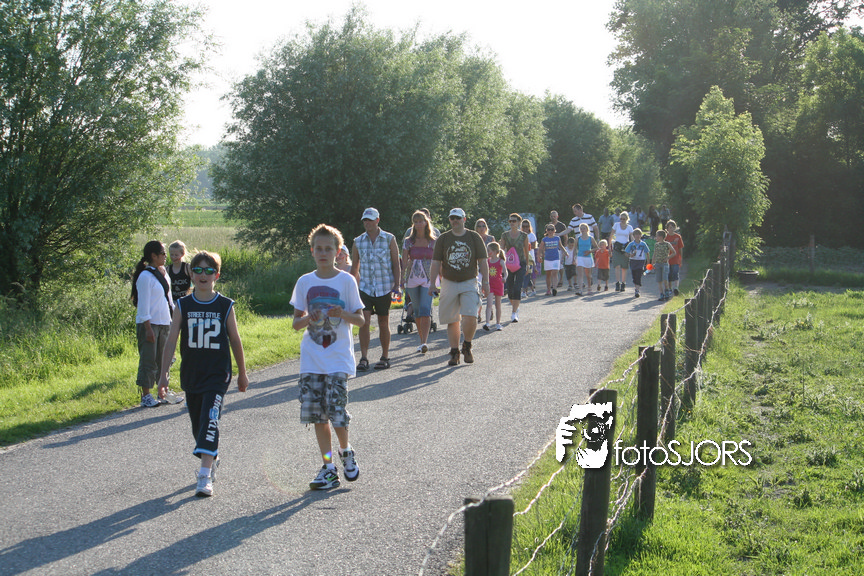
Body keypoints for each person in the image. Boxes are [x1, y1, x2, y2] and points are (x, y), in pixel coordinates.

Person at [157, 251, 248, 497]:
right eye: (198, 270)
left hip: (217, 375)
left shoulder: (225, 305)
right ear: (191, 274)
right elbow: (171, 340)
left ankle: (204, 475)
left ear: (217, 275)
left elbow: (235, 340)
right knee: (199, 426)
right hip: (192, 374)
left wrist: (242, 373)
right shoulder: (183, 305)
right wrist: (163, 374)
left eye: (209, 270)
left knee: (210, 419)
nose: (203, 275)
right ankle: (212, 457)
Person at [291, 224, 366, 491]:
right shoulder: (304, 282)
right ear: (312, 251)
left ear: (338, 252)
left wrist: (342, 314)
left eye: (328, 249)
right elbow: (296, 324)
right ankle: (328, 468)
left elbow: (360, 319)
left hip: (337, 358)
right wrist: (307, 318)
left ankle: (345, 451)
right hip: (312, 359)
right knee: (318, 416)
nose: (323, 253)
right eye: (319, 249)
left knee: (336, 411)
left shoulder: (346, 281)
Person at [429, 208, 489, 365]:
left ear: (464, 219)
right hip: (449, 282)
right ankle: (454, 352)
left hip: (469, 281)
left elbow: (483, 261)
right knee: (452, 319)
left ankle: (467, 345)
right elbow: (435, 262)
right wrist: (432, 284)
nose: (455, 220)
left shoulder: (473, 237)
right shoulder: (443, 239)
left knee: (471, 316)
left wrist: (486, 282)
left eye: (458, 218)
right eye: (452, 218)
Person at [350, 207, 401, 371]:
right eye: (365, 220)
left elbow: (396, 264)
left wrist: (397, 285)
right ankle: (364, 358)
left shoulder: (389, 239)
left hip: (384, 287)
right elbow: (355, 267)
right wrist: (349, 288)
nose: (367, 223)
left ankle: (385, 356)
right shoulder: (358, 241)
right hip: (365, 287)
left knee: (383, 322)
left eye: (370, 220)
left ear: (377, 220)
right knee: (364, 321)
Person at [131, 240, 173, 408]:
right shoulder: (145, 276)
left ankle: (163, 391)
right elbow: (143, 306)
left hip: (164, 322)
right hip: (149, 324)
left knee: (164, 360)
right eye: (162, 253)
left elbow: (169, 300)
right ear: (153, 256)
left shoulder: (163, 273)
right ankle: (146, 395)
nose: (165, 256)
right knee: (148, 360)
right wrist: (148, 329)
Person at [401, 210, 437, 354]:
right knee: (416, 310)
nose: (418, 224)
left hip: (428, 278)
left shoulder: (433, 241)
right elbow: (404, 261)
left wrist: (440, 279)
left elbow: (438, 261)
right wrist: (401, 277)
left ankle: (424, 342)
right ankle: (421, 340)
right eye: (415, 222)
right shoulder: (408, 241)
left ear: (426, 222)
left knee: (425, 309)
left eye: (420, 221)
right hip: (412, 277)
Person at [500, 214, 531, 322]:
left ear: (519, 222)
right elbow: (501, 250)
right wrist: (500, 264)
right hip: (508, 264)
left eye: (514, 221)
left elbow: (526, 251)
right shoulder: (504, 235)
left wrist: (528, 265)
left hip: (521, 264)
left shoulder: (523, 235)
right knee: (510, 289)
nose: (512, 223)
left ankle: (514, 312)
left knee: (518, 287)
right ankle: (515, 306)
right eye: (510, 221)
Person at [484, 242, 506, 331]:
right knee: (489, 304)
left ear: (494, 251)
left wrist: (505, 277)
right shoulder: (487, 261)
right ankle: (487, 323)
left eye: (488, 250)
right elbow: (485, 273)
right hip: (490, 285)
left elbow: (505, 272)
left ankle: (498, 323)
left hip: (498, 285)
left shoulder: (501, 261)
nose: (487, 252)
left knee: (498, 305)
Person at [610, 211, 634, 292]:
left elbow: (632, 237)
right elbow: (611, 235)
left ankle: (623, 283)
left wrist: (633, 247)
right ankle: (617, 283)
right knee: (617, 266)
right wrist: (609, 247)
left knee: (624, 267)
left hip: (625, 247)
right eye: (621, 219)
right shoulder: (616, 225)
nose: (622, 220)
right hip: (617, 247)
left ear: (627, 219)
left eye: (624, 219)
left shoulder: (629, 227)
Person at [650, 229, 677, 301]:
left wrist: (668, 258)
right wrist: (652, 263)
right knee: (659, 280)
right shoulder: (656, 245)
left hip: (664, 264)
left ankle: (667, 291)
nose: (656, 238)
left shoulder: (667, 244)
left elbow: (674, 252)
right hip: (658, 264)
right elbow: (654, 254)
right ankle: (661, 294)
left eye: (657, 236)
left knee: (665, 279)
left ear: (661, 237)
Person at [625, 229, 650, 298]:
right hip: (633, 261)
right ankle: (636, 285)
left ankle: (637, 290)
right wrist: (631, 255)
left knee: (638, 274)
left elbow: (647, 252)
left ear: (641, 235)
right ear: (633, 236)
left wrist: (648, 262)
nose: (637, 236)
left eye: (639, 234)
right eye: (636, 234)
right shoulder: (631, 244)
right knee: (634, 275)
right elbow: (626, 253)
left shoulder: (643, 244)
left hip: (641, 261)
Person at [538, 224, 563, 296]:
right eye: (549, 229)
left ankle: (554, 288)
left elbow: (560, 246)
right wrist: (540, 256)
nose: (550, 231)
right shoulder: (544, 239)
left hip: (556, 258)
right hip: (547, 259)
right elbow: (540, 248)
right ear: (547, 231)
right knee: (548, 274)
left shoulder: (557, 238)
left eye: (552, 229)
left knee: (555, 273)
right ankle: (548, 289)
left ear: (554, 230)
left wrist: (565, 252)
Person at [574, 223, 598, 296]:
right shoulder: (578, 238)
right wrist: (574, 258)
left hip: (588, 257)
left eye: (584, 228)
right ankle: (580, 290)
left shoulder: (591, 238)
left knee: (588, 275)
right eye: (581, 228)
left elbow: (596, 247)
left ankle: (589, 288)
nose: (582, 230)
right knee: (580, 274)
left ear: (587, 229)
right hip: (580, 257)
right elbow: (575, 249)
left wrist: (590, 251)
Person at [665, 220, 684, 296]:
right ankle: (669, 288)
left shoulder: (678, 237)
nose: (671, 229)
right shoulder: (665, 237)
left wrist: (680, 258)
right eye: (670, 227)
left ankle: (676, 287)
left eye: (673, 227)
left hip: (676, 259)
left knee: (675, 273)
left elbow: (680, 248)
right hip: (667, 259)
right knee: (669, 275)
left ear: (675, 228)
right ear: (667, 228)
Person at [549, 211, 567, 287]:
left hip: (559, 248)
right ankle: (553, 282)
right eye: (552, 216)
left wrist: (564, 248)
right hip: (550, 248)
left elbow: (565, 237)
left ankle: (561, 279)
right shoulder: (548, 226)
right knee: (551, 266)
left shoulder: (561, 225)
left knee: (560, 265)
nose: (553, 218)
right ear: (550, 217)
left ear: (557, 217)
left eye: (554, 216)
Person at [520, 218, 538, 297]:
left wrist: (526, 246)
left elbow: (534, 246)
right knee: (524, 275)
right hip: (522, 257)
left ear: (529, 227)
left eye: (527, 226)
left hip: (530, 258)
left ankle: (524, 291)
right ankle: (533, 290)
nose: (525, 228)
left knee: (526, 275)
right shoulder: (520, 235)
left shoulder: (531, 235)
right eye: (523, 226)